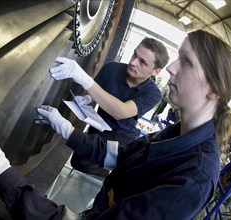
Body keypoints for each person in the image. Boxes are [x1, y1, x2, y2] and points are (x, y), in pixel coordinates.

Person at [0, 29, 231, 219]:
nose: (173, 68)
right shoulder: (175, 133)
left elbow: (123, 112)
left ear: (213, 89)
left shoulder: (193, 181)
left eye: (185, 62)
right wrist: (66, 127)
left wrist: (2, 170)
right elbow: (120, 155)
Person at [50, 37, 169, 176]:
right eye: (135, 54)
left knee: (103, 177)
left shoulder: (154, 93)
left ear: (156, 71)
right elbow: (96, 93)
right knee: (77, 163)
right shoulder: (111, 68)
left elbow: (121, 112)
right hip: (97, 130)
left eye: (142, 62)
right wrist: (88, 98)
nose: (133, 62)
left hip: (121, 143)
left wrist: (82, 77)